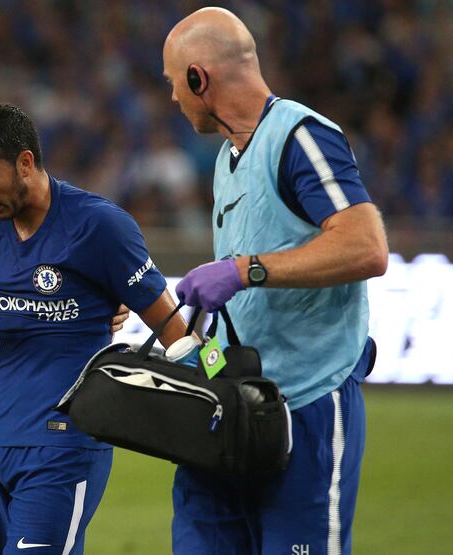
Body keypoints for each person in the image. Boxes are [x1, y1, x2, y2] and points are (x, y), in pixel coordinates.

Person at [162, 8, 389, 555]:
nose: (172, 98)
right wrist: (206, 349)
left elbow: (366, 246)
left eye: (174, 83)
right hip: (237, 405)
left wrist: (244, 270)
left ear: (199, 78)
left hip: (306, 406)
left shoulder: (300, 135)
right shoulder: (226, 159)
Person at [0, 102, 186, 555]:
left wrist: (222, 381)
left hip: (68, 442)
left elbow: (174, 328)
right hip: (2, 439)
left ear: (25, 162)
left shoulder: (99, 225)